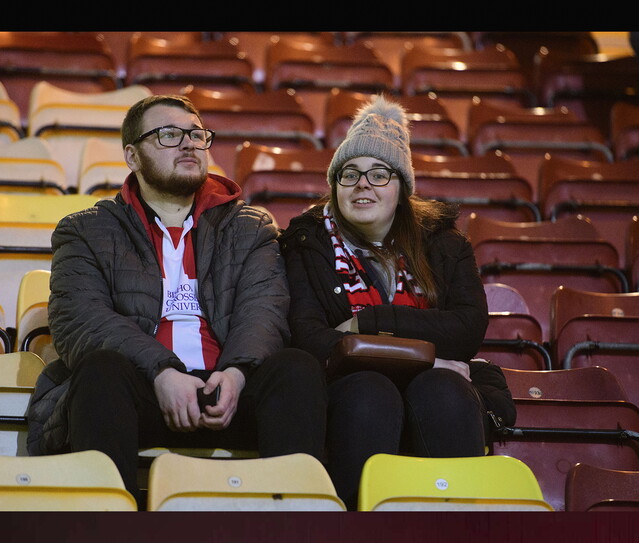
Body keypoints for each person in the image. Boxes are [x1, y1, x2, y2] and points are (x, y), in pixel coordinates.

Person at [26, 94, 327, 501]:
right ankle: (111, 519)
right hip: (141, 392)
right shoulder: (86, 230)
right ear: (132, 156)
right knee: (100, 371)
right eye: (169, 135)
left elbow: (265, 309)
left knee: (296, 369)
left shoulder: (250, 226)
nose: (188, 144)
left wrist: (237, 373)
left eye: (196, 135)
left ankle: (292, 518)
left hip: (230, 391)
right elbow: (80, 320)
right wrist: (162, 372)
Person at [279, 95, 516, 510]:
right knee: (371, 391)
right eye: (349, 174)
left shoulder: (444, 242)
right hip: (349, 389)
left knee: (444, 388)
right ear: (335, 185)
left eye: (379, 174)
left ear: (402, 188)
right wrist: (425, 358)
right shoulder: (305, 242)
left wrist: (366, 324)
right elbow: (309, 338)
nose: (362, 184)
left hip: (437, 385)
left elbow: (465, 330)